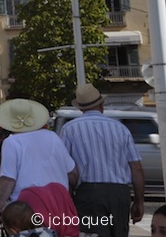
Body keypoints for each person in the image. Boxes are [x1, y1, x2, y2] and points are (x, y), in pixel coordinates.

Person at [59, 83, 144, 237]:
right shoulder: (120, 128)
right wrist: (139, 201)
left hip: (89, 195)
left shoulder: (69, 129)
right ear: (101, 104)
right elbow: (136, 167)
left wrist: (68, 200)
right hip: (119, 194)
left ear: (80, 108)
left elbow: (66, 170)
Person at [0, 98, 79, 237]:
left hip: (28, 208)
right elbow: (72, 173)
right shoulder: (52, 137)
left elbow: (8, 180)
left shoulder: (11, 142)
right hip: (58, 203)